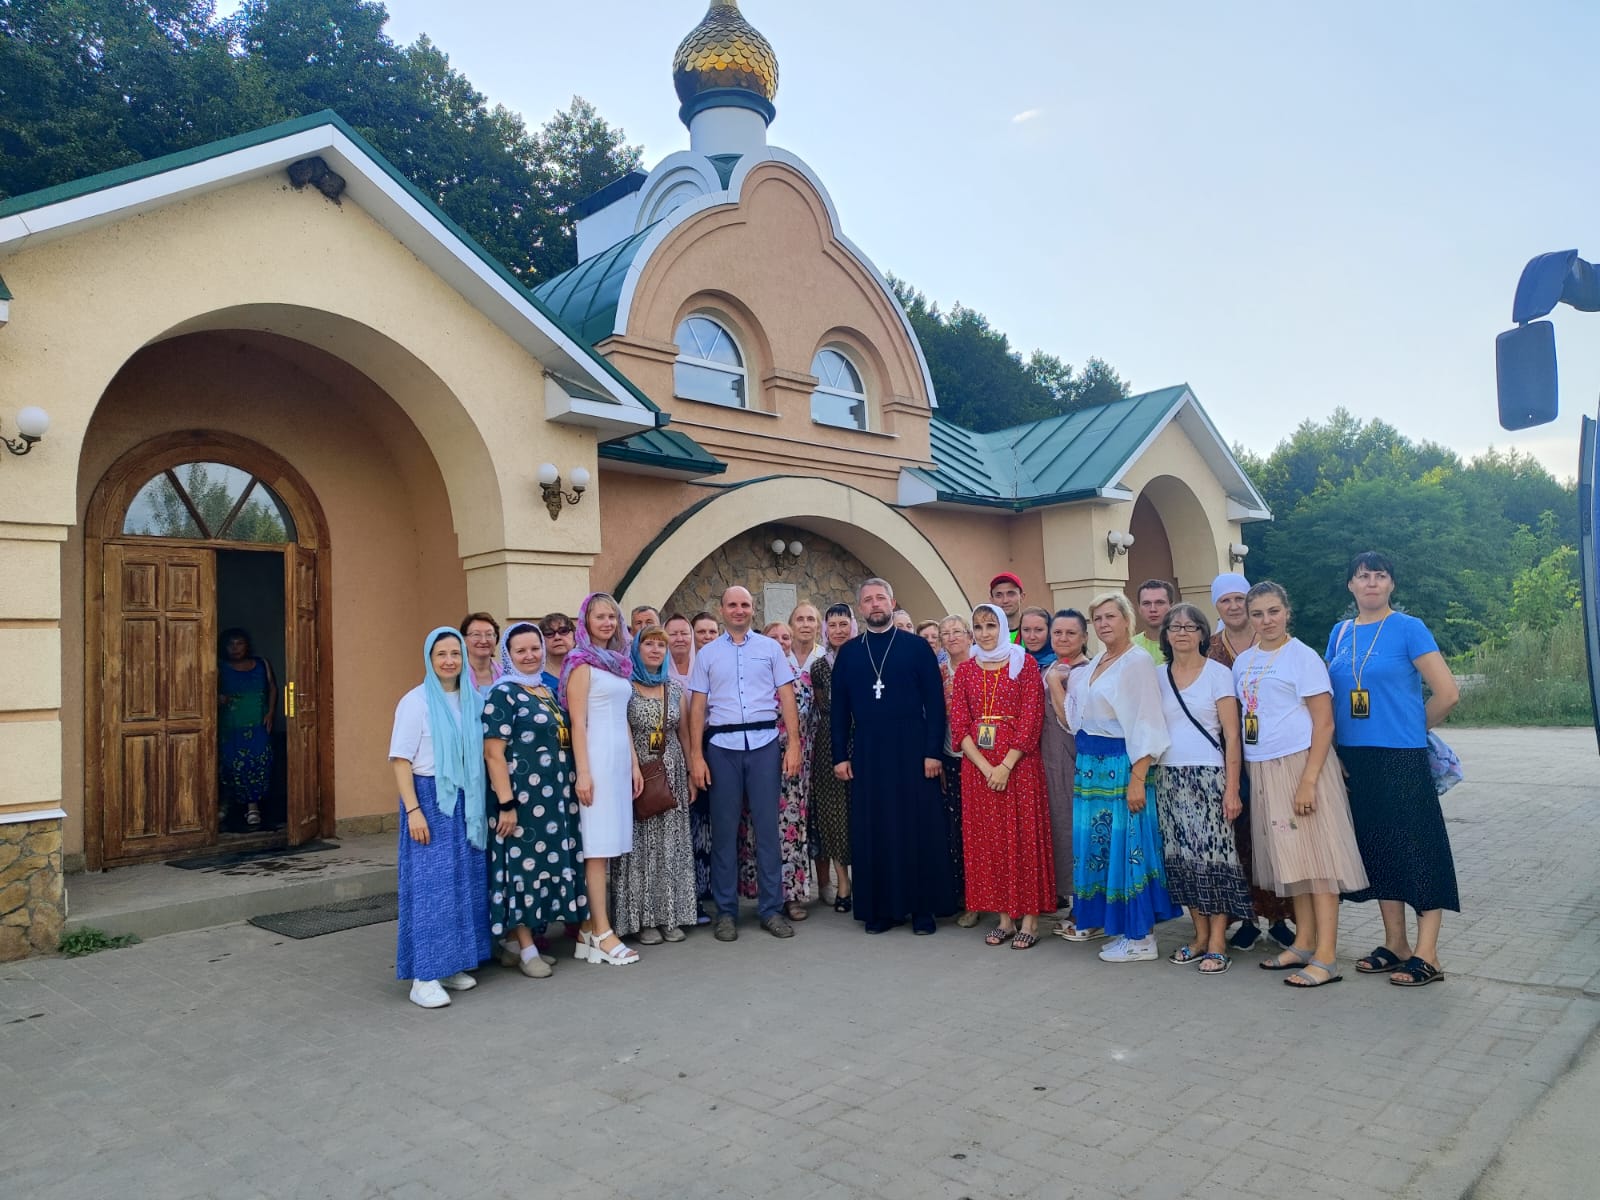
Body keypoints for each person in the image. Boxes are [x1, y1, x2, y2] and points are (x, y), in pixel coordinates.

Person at [1325, 552, 1460, 988]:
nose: (1371, 583)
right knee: (1381, 850)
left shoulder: (1408, 628)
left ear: (1391, 585)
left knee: (1419, 849)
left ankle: (1428, 953)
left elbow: (1447, 693)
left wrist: (1411, 728)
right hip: (1355, 758)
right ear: (1350, 585)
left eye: (1380, 576)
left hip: (1401, 756)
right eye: (1362, 576)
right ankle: (1396, 944)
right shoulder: (1340, 633)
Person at [1234, 581, 1369, 988]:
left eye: (1273, 611)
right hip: (1264, 767)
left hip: (1302, 767)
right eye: (1257, 614)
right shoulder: (1245, 661)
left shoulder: (1303, 657)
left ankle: (1327, 956)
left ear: (1287, 612)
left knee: (1319, 861)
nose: (1266, 621)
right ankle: (1305, 941)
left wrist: (1309, 780)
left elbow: (1324, 723)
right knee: (1294, 860)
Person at [831, 577, 955, 934]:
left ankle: (922, 909)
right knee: (876, 826)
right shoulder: (850, 652)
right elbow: (839, 710)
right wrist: (840, 756)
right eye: (867, 599)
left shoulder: (917, 648)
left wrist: (933, 752)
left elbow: (935, 704)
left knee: (918, 825)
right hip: (868, 748)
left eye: (880, 598)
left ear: (892, 601)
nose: (874, 604)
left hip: (913, 746)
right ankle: (881, 908)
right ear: (861, 608)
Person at [1063, 591, 1180, 961]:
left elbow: (1147, 719)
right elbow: (1076, 716)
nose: (1103, 624)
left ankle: (1141, 937)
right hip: (1090, 766)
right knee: (1098, 850)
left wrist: (1137, 777)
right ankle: (1112, 925)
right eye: (1097, 619)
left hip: (1119, 766)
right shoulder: (1099, 659)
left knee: (1127, 847)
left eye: (1110, 617)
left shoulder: (1137, 661)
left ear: (1127, 619)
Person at [687, 586, 802, 941]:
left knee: (767, 830)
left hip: (765, 744)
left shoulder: (769, 649)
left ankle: (771, 908)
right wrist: (696, 755)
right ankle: (725, 911)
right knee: (724, 831)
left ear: (753, 609)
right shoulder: (707, 655)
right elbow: (697, 707)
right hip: (722, 747)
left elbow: (786, 696)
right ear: (722, 610)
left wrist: (794, 744)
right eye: (732, 605)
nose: (739, 610)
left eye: (745, 605)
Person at [389, 628, 489, 1009]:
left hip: (468, 798)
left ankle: (450, 964)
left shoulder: (472, 700)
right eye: (441, 654)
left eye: (455, 653)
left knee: (463, 883)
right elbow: (400, 760)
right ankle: (424, 976)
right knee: (432, 886)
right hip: (431, 798)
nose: (449, 661)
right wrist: (414, 810)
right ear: (429, 660)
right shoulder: (416, 702)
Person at [1151, 605, 1252, 974]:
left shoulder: (1218, 674)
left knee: (1214, 859)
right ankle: (1197, 935)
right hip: (1166, 776)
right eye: (1174, 627)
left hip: (1209, 776)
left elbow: (1231, 735)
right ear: (1165, 634)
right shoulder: (1157, 675)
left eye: (1190, 627)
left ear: (1202, 634)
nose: (1181, 633)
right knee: (1180, 860)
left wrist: (1232, 788)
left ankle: (1218, 940)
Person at [482, 623, 584, 979]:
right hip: (521, 802)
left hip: (554, 802)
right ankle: (526, 949)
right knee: (521, 873)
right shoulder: (503, 694)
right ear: (508, 656)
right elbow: (494, 753)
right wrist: (507, 804)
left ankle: (515, 945)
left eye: (534, 648)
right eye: (521, 651)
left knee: (541, 868)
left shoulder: (546, 689)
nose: (530, 656)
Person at [950, 605, 1054, 949]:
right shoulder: (965, 670)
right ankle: (1004, 918)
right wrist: (984, 766)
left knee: (1022, 838)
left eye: (991, 625)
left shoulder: (1024, 665)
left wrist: (1006, 765)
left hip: (1018, 766)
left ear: (1003, 627)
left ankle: (1030, 919)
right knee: (988, 842)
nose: (984, 633)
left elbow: (1031, 719)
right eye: (978, 627)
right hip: (978, 767)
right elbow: (960, 722)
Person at [1207, 573, 1296, 952]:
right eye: (1225, 600)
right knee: (1239, 838)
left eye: (1239, 599)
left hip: (1275, 751)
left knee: (1277, 835)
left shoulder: (1275, 642)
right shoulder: (1210, 648)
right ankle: (1247, 917)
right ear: (1217, 606)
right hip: (1228, 756)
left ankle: (1280, 916)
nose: (1233, 606)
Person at [561, 593, 644, 966]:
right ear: (586, 622)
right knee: (595, 851)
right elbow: (578, 723)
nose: (607, 622)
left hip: (617, 763)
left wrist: (635, 765)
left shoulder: (618, 665)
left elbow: (621, 717)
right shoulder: (580, 665)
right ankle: (602, 933)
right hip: (593, 761)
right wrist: (583, 772)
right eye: (600, 617)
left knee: (608, 848)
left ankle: (587, 931)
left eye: (612, 616)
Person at [613, 625, 698, 944]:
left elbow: (685, 733)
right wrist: (633, 766)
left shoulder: (675, 689)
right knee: (641, 847)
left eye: (660, 646)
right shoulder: (626, 687)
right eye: (648, 644)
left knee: (671, 846)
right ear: (636, 649)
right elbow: (621, 730)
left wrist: (691, 773)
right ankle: (644, 919)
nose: (655, 650)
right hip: (640, 772)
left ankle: (670, 915)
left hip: (673, 771)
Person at [740, 621, 814, 922]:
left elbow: (812, 721)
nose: (781, 642)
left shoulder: (803, 678)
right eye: (774, 637)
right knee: (760, 829)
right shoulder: (753, 677)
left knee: (790, 832)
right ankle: (762, 893)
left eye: (785, 637)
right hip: (758, 760)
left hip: (793, 766)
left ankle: (792, 897)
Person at [1042, 611, 1090, 926]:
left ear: (1084, 637)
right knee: (1058, 830)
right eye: (1057, 632)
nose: (1062, 638)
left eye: (1070, 633)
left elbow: (1070, 720)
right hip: (1047, 760)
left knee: (1077, 831)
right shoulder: (1050, 669)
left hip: (1075, 761)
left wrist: (1055, 683)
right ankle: (1065, 897)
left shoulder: (1086, 671)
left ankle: (1083, 904)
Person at [810, 603, 855, 911]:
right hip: (828, 741)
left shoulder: (865, 657)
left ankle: (867, 879)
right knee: (833, 812)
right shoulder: (819, 667)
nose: (838, 630)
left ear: (853, 625)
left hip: (863, 737)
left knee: (861, 809)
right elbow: (823, 706)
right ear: (826, 629)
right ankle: (843, 885)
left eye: (843, 624)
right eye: (833, 625)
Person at [938, 614, 978, 927]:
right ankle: (966, 897)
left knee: (980, 829)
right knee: (957, 830)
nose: (951, 638)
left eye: (957, 632)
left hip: (981, 759)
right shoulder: (938, 673)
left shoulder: (982, 667)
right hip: (951, 756)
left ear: (969, 636)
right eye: (945, 633)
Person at [218, 627, 276, 830]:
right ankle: (225, 804)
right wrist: (218, 698)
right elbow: (206, 688)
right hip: (232, 724)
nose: (235, 648)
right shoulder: (219, 667)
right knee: (230, 764)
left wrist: (270, 713)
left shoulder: (262, 664)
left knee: (259, 762)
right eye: (231, 644)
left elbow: (272, 688)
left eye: (239, 643)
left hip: (257, 723)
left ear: (247, 645)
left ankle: (254, 808)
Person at [459, 612, 502, 704]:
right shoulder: (457, 675)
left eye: (489, 634)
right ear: (464, 639)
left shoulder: (505, 674)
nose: (483, 641)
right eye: (476, 635)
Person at [1133, 580, 1174, 661]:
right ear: (1139, 608)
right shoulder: (1130, 647)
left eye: (1159, 603)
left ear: (1171, 606)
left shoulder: (1183, 642)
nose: (1153, 609)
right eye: (1146, 603)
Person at [988, 572, 1026, 642]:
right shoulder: (986, 636)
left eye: (1011, 594)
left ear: (1022, 597)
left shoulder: (1034, 632)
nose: (1005, 600)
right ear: (992, 600)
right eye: (998, 595)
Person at [664, 612, 696, 691]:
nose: (680, 639)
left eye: (684, 633)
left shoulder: (702, 667)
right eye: (673, 634)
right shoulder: (658, 671)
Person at [540, 613, 575, 683]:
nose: (557, 637)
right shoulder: (535, 675)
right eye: (549, 633)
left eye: (563, 631)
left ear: (574, 635)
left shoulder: (587, 668)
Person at [790, 602, 825, 671]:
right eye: (800, 619)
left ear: (818, 627)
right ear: (791, 627)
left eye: (810, 619)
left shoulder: (827, 657)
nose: (805, 624)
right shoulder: (780, 656)